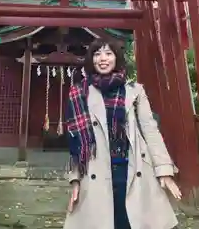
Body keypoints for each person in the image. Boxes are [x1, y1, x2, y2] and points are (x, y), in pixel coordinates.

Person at [63, 39, 181, 229]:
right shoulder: (79, 93)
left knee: (129, 223)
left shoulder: (134, 91)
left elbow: (150, 130)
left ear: (116, 58)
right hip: (96, 172)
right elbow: (76, 142)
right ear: (91, 60)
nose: (103, 58)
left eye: (108, 54)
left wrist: (164, 170)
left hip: (132, 169)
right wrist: (75, 179)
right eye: (97, 54)